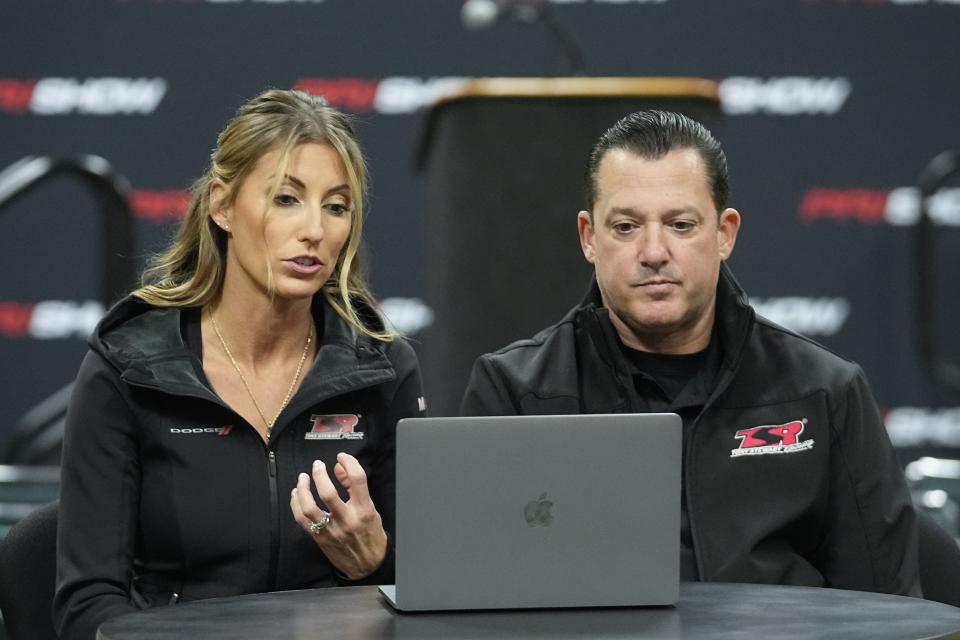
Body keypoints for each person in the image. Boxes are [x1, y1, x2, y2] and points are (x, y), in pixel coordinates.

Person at [460, 110, 920, 595]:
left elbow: (887, 609)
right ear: (588, 237)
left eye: (680, 225)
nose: (654, 251)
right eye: (625, 227)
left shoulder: (824, 392)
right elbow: (476, 605)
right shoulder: (514, 392)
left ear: (724, 234)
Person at [54, 89, 426, 640]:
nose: (315, 231)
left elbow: (437, 592)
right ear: (222, 205)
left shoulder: (383, 369)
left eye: (336, 206)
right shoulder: (129, 368)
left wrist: (373, 564)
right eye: (285, 199)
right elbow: (87, 604)